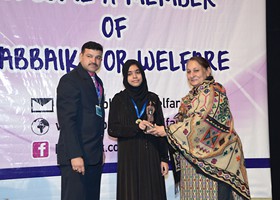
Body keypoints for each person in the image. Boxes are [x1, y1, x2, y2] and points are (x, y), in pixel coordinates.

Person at [155, 56, 251, 200]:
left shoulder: (214, 92)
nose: (192, 75)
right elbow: (183, 119)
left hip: (220, 159)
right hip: (196, 161)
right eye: (188, 72)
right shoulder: (190, 98)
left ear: (207, 71)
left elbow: (201, 122)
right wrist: (162, 128)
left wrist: (168, 131)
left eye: (196, 70)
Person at [108, 59, 169, 200]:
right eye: (130, 74)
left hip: (151, 155)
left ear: (142, 74)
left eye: (137, 72)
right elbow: (112, 129)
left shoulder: (152, 98)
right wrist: (136, 127)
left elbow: (161, 129)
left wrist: (164, 158)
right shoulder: (119, 99)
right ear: (125, 77)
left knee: (153, 193)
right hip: (129, 157)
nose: (134, 76)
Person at [56, 41, 105, 200]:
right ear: (81, 56)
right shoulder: (70, 80)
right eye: (89, 56)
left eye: (98, 57)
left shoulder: (98, 82)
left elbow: (95, 119)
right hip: (76, 157)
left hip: (93, 156)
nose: (94, 61)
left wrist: (100, 149)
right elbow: (67, 121)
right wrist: (75, 154)